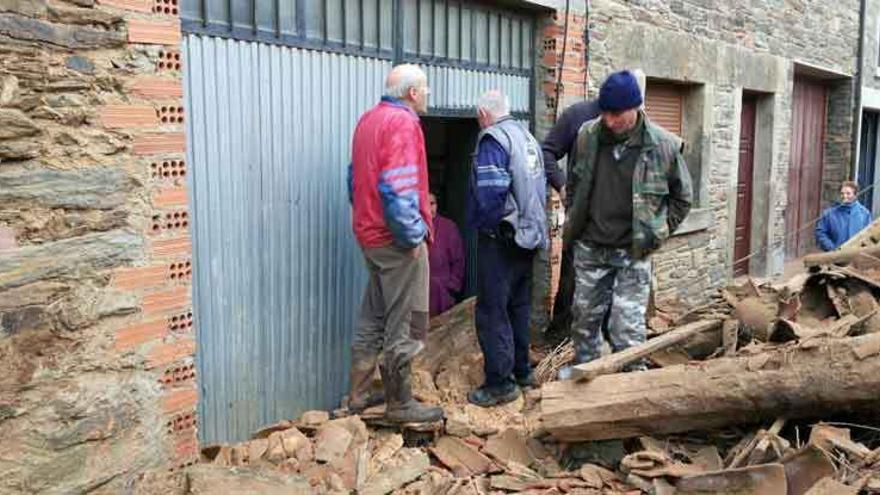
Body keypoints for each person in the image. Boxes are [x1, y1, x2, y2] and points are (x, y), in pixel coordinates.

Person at [560, 70, 693, 379]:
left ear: (636, 107)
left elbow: (683, 198)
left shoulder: (663, 146)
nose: (609, 120)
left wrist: (658, 232)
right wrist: (574, 224)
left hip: (633, 251)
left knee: (626, 327)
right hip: (591, 248)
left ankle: (631, 386)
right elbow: (575, 185)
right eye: (604, 112)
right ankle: (586, 380)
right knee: (583, 322)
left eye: (616, 113)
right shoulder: (586, 136)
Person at [347, 64, 443, 423]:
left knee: (374, 313)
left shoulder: (368, 120)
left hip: (369, 234)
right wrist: (413, 237)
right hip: (395, 239)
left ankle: (357, 395)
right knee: (409, 318)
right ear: (413, 93)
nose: (429, 96)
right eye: (426, 90)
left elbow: (352, 179)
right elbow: (397, 185)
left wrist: (365, 218)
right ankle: (401, 403)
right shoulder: (403, 124)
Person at [466, 90, 548, 407]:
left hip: (502, 237)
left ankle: (500, 383)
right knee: (518, 306)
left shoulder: (492, 139)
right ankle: (522, 371)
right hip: (529, 237)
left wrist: (490, 227)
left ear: (484, 115)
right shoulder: (527, 138)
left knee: (492, 310)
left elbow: (490, 194)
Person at [541, 99, 601, 341]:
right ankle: (558, 341)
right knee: (571, 282)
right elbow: (546, 152)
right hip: (581, 219)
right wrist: (561, 183)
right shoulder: (578, 116)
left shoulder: (634, 123)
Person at [428, 193, 465, 317]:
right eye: (426, 204)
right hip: (419, 291)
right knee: (418, 331)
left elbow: (458, 260)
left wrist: (451, 286)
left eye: (432, 203)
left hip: (442, 293)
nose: (430, 208)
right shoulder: (413, 228)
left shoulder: (448, 227)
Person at [815, 181, 872, 251]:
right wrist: (831, 248)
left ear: (855, 195)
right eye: (842, 193)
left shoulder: (864, 214)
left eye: (848, 193)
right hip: (834, 257)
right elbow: (821, 233)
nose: (844, 196)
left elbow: (869, 235)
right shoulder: (829, 214)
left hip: (858, 257)